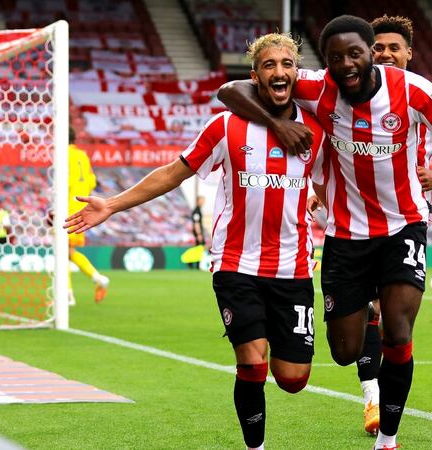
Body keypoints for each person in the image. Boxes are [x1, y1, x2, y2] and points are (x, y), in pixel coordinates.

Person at [218, 16, 432, 450]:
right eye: (336, 58)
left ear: (371, 52)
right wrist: (278, 124)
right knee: (344, 350)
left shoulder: (413, 90)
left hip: (403, 227)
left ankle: (388, 439)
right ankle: (368, 318)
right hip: (346, 234)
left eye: (355, 54)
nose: (346, 65)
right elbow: (232, 90)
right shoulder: (318, 86)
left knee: (399, 333)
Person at [66, 33, 326, 450]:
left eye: (287, 64)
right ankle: (255, 448)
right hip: (235, 263)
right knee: (252, 361)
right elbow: (173, 173)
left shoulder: (316, 129)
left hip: (292, 267)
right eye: (269, 65)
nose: (279, 71)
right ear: (255, 75)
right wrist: (113, 205)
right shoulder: (225, 125)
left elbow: (341, 178)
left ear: (297, 72)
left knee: (293, 379)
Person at [340, 13, 432, 437]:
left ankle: (380, 413)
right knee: (361, 321)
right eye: (378, 48)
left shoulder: (422, 95)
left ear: (409, 54)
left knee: (394, 321)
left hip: (407, 220)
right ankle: (370, 394)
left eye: (394, 47)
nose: (386, 54)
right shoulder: (349, 90)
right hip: (354, 223)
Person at [68, 128, 110, 304]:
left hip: (67, 207)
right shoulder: (82, 156)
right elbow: (91, 181)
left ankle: (67, 295)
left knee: (63, 252)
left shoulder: (63, 155)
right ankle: (98, 279)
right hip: (82, 206)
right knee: (68, 252)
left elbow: (65, 181)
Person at [188, 196, 206, 269]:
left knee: (198, 248)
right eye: (202, 201)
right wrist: (199, 234)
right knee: (198, 249)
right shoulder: (196, 211)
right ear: (198, 201)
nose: (203, 202)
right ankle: (193, 263)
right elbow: (196, 223)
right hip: (198, 233)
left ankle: (193, 263)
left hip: (198, 233)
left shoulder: (198, 210)